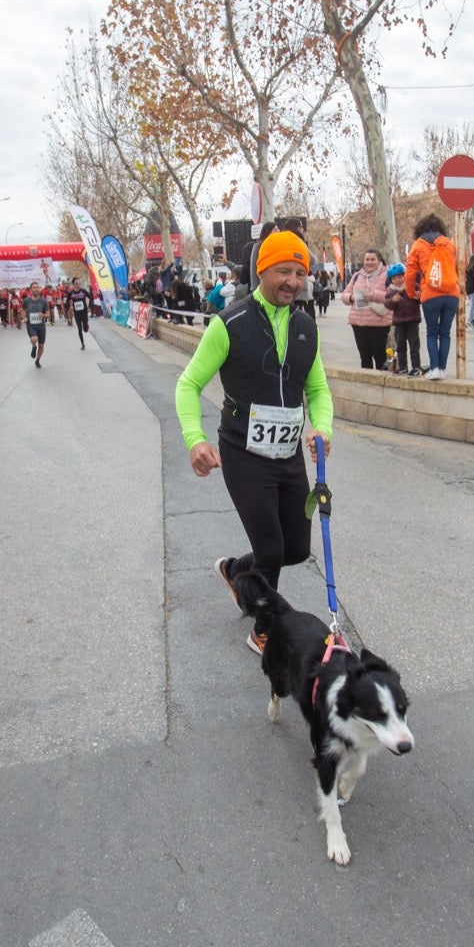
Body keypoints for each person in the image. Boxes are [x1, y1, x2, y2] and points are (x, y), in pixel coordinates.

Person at [175, 230, 333, 654]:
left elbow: (317, 390)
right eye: (284, 271)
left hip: (288, 456)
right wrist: (196, 440)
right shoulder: (230, 324)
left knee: (296, 550)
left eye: (300, 273)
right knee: (271, 547)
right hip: (244, 453)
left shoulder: (305, 326)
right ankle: (265, 631)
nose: (293, 282)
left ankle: (233, 571)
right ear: (262, 269)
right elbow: (188, 384)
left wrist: (322, 427)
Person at [406, 214, 462, 380]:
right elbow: (458, 267)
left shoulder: (417, 246)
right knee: (445, 333)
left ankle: (435, 368)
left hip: (430, 294)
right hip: (452, 293)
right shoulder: (449, 244)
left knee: (432, 333)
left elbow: (410, 273)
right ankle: (443, 369)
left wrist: (411, 293)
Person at [343, 248, 392, 370]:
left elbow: (393, 296)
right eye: (367, 259)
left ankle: (380, 386)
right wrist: (351, 297)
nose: (369, 262)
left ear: (379, 260)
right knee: (365, 359)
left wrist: (373, 296)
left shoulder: (387, 276)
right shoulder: (357, 276)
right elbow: (345, 295)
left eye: (373, 259)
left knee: (380, 359)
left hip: (378, 325)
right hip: (359, 325)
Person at [384, 263, 423, 376]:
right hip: (399, 321)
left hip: (412, 319)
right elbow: (387, 304)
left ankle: (416, 366)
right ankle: (403, 366)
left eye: (400, 277)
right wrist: (393, 301)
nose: (398, 280)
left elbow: (422, 298)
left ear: (405, 276)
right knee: (400, 345)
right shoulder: (391, 291)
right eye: (395, 278)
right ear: (391, 280)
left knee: (414, 344)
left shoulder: (412, 286)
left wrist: (418, 296)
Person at [23, 284, 50, 367]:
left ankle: (37, 360)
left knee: (41, 345)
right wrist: (24, 317)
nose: (36, 289)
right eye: (34, 288)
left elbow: (48, 314)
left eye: (37, 287)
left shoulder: (43, 301)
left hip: (41, 326)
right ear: (31, 289)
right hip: (31, 325)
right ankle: (34, 347)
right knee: (34, 338)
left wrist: (43, 315)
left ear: (39, 289)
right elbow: (22, 310)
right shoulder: (27, 301)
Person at [68, 284, 91, 350]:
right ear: (73, 285)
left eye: (78, 283)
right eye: (75, 283)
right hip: (77, 313)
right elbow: (67, 301)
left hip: (84, 312)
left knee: (85, 330)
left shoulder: (83, 291)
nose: (77, 285)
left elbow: (90, 297)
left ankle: (86, 325)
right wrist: (70, 306)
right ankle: (82, 344)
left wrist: (89, 307)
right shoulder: (71, 293)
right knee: (79, 329)